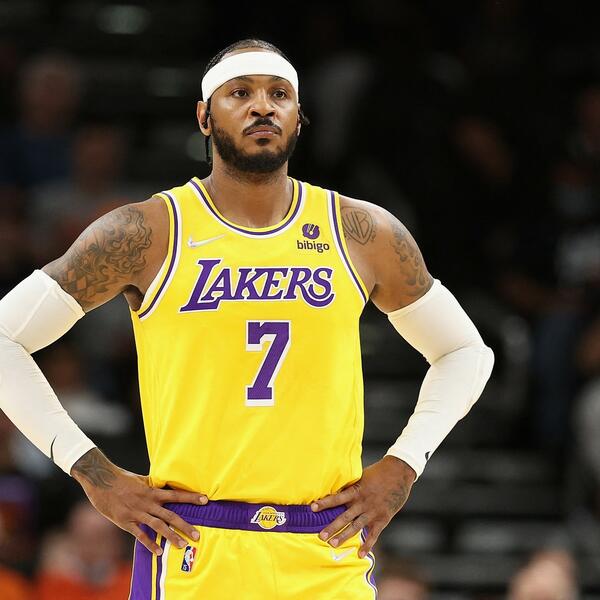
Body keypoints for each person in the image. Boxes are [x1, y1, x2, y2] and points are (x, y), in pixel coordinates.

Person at [0, 39, 494, 598]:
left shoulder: (363, 232)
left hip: (325, 547)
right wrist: (93, 472)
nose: (263, 106)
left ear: (299, 118)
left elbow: (466, 352)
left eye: (279, 94)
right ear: (204, 117)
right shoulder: (145, 232)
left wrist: (403, 464)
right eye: (240, 93)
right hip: (195, 545)